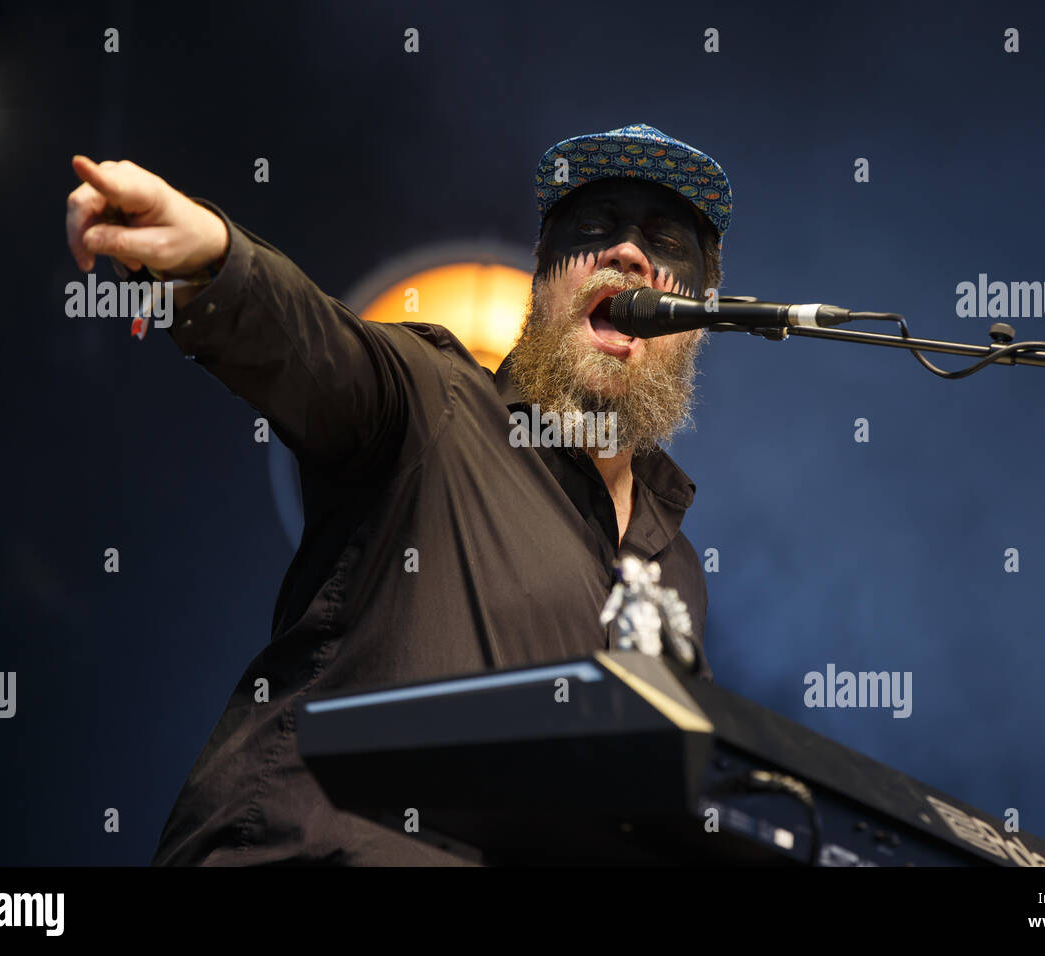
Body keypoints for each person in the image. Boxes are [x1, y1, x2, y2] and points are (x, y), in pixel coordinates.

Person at [64, 122, 733, 865]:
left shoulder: (676, 573)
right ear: (544, 275)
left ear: (702, 312)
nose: (628, 253)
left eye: (665, 242)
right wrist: (213, 260)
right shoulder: (435, 403)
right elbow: (316, 347)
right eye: (595, 228)